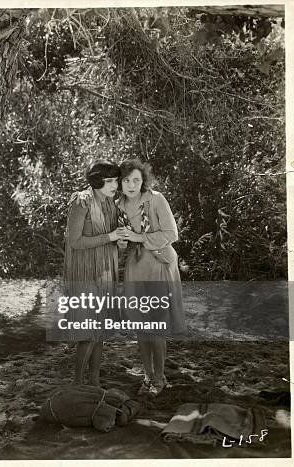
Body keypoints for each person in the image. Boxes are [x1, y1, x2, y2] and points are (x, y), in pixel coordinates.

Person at [115, 159, 186, 395]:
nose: (131, 185)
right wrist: (123, 242)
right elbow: (122, 245)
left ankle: (160, 377)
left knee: (155, 324)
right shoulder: (118, 206)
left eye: (136, 179)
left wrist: (138, 238)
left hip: (159, 264)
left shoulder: (156, 199)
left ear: (143, 180)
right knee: (140, 325)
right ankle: (147, 376)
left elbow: (171, 233)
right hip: (135, 268)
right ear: (120, 183)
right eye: (126, 180)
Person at [64, 160, 123, 386]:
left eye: (116, 180)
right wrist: (110, 237)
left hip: (105, 271)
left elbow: (113, 236)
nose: (114, 185)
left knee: (101, 330)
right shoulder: (82, 202)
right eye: (109, 181)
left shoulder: (110, 203)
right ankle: (77, 383)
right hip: (84, 272)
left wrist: (121, 241)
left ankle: (95, 382)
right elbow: (74, 241)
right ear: (97, 180)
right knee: (88, 331)